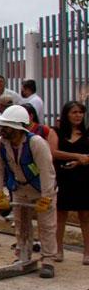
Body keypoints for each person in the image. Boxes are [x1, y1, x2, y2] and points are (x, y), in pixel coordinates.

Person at [0, 105, 58, 278]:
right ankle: (23, 255)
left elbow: (47, 172)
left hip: (41, 188)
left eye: (6, 126)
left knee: (47, 225)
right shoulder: (0, 144)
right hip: (19, 188)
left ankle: (48, 260)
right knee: (21, 224)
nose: (2, 129)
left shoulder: (36, 143)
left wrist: (46, 197)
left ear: (17, 128)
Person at [49, 101, 89, 265]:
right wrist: (76, 156)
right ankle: (58, 249)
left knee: (85, 216)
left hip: (84, 178)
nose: (78, 115)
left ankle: (87, 252)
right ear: (66, 114)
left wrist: (81, 161)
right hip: (63, 177)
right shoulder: (56, 132)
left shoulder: (86, 134)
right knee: (60, 215)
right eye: (74, 112)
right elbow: (53, 152)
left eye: (80, 112)